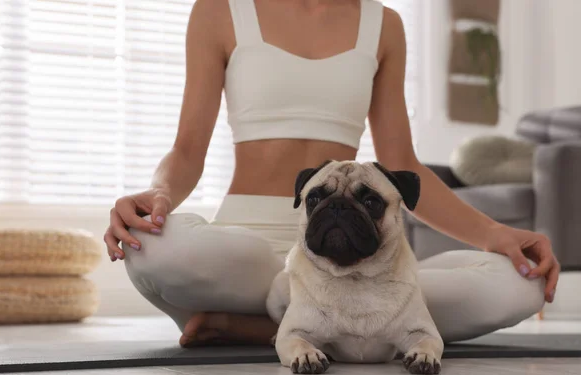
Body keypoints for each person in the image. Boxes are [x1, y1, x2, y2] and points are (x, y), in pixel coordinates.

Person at [104, 0, 560, 347]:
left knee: (522, 286)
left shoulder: (384, 25)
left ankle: (264, 325)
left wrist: (494, 233)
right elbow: (187, 151)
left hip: (361, 267)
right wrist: (157, 195)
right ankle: (348, 333)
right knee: (151, 249)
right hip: (250, 257)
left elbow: (401, 166)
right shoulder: (220, 10)